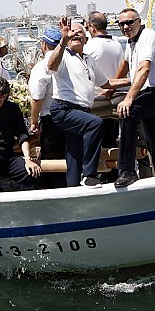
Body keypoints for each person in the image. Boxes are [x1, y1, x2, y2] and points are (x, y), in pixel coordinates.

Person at [111, 8, 155, 188]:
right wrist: (110, 89)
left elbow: (144, 69)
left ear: (139, 21)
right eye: (121, 24)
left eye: (130, 22)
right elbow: (125, 65)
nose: (126, 26)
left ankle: (127, 170)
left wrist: (129, 98)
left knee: (128, 114)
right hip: (146, 93)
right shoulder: (131, 42)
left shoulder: (147, 37)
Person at [46, 19, 109, 188]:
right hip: (63, 108)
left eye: (79, 32)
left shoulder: (89, 59)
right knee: (95, 124)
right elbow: (51, 66)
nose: (75, 34)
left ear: (86, 38)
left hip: (82, 110)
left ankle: (72, 187)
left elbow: (106, 84)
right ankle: (89, 174)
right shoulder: (63, 55)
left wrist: (133, 81)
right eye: (71, 32)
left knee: (74, 152)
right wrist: (62, 41)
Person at [84, 11, 124, 147]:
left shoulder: (90, 47)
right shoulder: (117, 44)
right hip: (113, 98)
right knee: (110, 140)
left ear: (91, 28)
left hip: (96, 101)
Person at [28, 28, 65, 168]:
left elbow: (37, 98)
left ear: (43, 45)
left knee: (53, 159)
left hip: (51, 120)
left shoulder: (41, 67)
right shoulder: (70, 62)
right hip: (70, 115)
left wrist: (33, 122)